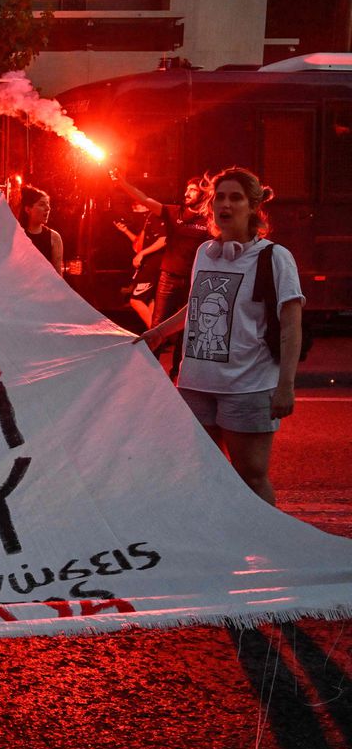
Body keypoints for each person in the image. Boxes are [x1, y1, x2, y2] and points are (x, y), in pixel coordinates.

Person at [136, 167, 303, 505]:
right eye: (220, 198)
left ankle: (266, 548)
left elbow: (290, 325)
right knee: (204, 476)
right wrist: (157, 333)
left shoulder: (274, 258)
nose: (225, 204)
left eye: (236, 198)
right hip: (196, 384)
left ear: (253, 207)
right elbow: (196, 307)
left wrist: (285, 386)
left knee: (252, 478)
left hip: (248, 386)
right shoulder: (205, 253)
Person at [111, 170, 211, 379]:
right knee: (158, 326)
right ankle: (150, 372)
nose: (187, 193)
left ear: (202, 194)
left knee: (189, 328)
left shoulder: (210, 220)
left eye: (192, 190)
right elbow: (145, 199)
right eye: (186, 189)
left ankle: (179, 373)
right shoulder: (174, 212)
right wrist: (123, 183)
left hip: (194, 280)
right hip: (169, 277)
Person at [113, 210, 166, 328]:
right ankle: (157, 338)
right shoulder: (147, 220)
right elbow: (139, 246)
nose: (133, 207)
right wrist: (126, 231)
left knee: (135, 300)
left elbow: (163, 240)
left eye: (137, 204)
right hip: (151, 266)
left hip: (152, 266)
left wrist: (142, 253)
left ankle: (158, 335)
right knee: (151, 302)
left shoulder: (155, 216)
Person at [18, 186, 63, 275]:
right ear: (28, 209)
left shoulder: (54, 237)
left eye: (48, 204)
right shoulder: (18, 236)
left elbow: (57, 274)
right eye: (42, 204)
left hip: (46, 287)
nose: (48, 208)